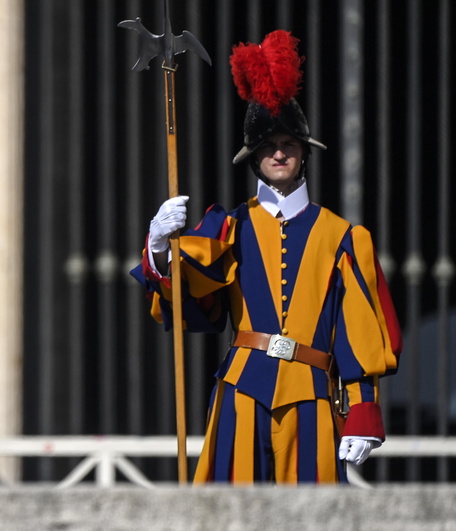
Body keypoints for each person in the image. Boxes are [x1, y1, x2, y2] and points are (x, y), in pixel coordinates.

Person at [132, 30, 401, 484]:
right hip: (242, 388)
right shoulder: (229, 227)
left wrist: (364, 411)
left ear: (303, 154)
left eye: (288, 145)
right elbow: (190, 304)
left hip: (313, 393)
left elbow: (359, 334)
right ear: (254, 158)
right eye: (269, 146)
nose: (279, 153)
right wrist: (159, 246)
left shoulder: (343, 236)